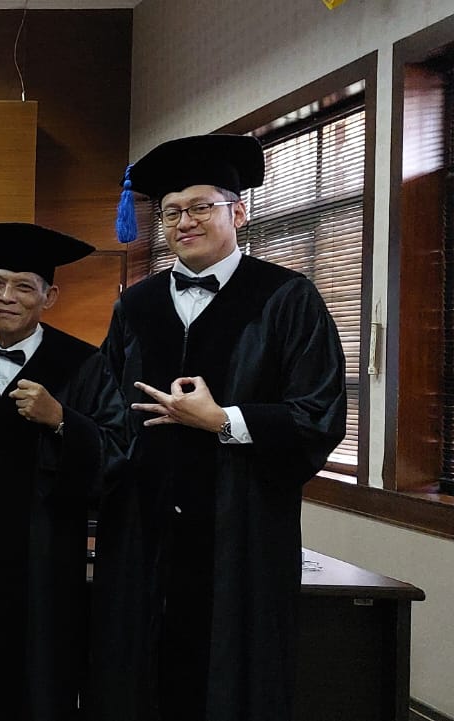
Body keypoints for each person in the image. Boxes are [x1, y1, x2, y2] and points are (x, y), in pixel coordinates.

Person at [96, 134, 346, 721]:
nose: (184, 222)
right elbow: (107, 406)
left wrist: (223, 420)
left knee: (234, 675)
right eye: (172, 212)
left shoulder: (286, 297)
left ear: (238, 211)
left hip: (242, 527)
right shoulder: (136, 304)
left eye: (201, 207)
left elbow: (320, 411)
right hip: (145, 524)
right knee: (143, 668)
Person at [0, 223, 129, 721]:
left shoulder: (84, 364)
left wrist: (63, 421)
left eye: (24, 286)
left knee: (39, 676)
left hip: (44, 550)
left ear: (49, 295)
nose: (6, 297)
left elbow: (118, 451)